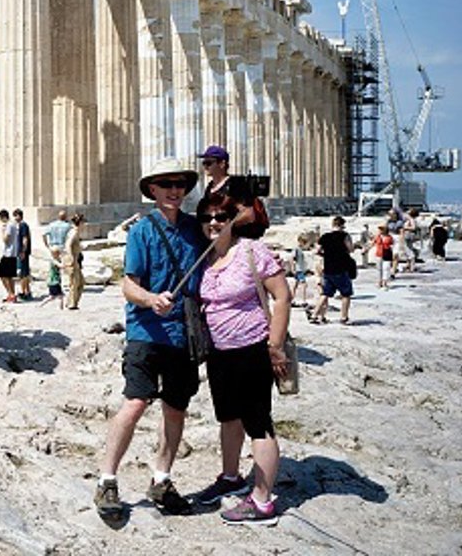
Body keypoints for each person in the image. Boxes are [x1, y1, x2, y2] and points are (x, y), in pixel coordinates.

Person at [94, 157, 206, 519]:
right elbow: (129, 285)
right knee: (136, 402)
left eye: (180, 184)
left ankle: (162, 478)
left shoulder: (196, 229)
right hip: (147, 331)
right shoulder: (142, 231)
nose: (174, 190)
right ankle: (107, 480)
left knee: (176, 408)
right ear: (152, 190)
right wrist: (151, 299)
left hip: (183, 334)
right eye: (166, 184)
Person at [192, 189, 290, 526]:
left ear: (232, 219)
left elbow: (282, 297)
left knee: (258, 423)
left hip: (253, 349)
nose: (214, 223)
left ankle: (262, 501)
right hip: (219, 352)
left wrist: (275, 345)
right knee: (229, 418)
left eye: (221, 216)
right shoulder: (205, 257)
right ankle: (231, 477)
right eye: (206, 217)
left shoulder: (251, 251)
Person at [311, 216, 355, 325]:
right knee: (346, 294)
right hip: (341, 268)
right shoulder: (345, 236)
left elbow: (317, 250)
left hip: (328, 268)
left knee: (325, 293)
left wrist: (326, 255)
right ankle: (344, 317)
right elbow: (351, 249)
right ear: (342, 225)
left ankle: (314, 315)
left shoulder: (325, 236)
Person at [43, 209, 72, 293]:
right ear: (65, 217)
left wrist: (47, 245)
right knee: (64, 267)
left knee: (54, 267)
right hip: (62, 247)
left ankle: (54, 284)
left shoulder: (52, 225)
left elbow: (44, 234)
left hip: (53, 247)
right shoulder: (68, 226)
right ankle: (63, 284)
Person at [64, 213, 86, 310]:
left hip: (76, 259)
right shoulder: (74, 232)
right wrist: (71, 257)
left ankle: (71, 302)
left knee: (80, 282)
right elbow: (68, 245)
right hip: (72, 260)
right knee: (75, 282)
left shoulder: (75, 232)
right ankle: (72, 303)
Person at [0, 209, 19, 303]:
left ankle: (11, 293)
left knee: (4, 275)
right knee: (8, 276)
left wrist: (2, 231)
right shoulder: (13, 225)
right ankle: (11, 294)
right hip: (12, 253)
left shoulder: (9, 226)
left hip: (8, 253)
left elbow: (6, 239)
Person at [14, 209, 33, 300]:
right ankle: (27, 291)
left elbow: (25, 239)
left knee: (23, 273)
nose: (14, 218)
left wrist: (23, 251)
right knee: (25, 272)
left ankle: (23, 292)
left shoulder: (23, 225)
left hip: (23, 253)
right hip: (23, 252)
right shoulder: (22, 225)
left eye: (15, 216)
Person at [290, 234, 312, 309]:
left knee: (295, 285)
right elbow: (292, 259)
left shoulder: (299, 249)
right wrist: (293, 268)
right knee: (304, 285)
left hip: (299, 269)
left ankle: (292, 300)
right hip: (298, 270)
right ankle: (304, 301)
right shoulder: (296, 249)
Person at [372, 223, 394, 288]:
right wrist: (366, 249)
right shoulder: (377, 237)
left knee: (386, 268)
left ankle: (385, 282)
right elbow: (372, 243)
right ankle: (379, 281)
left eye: (381, 229)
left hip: (387, 253)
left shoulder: (390, 237)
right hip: (379, 253)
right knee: (379, 269)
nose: (380, 230)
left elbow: (392, 245)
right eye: (379, 229)